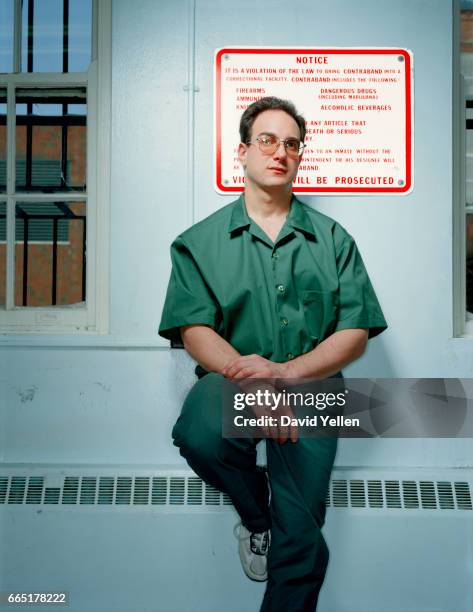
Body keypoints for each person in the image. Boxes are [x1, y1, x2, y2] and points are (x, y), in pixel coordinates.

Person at [158, 96, 387, 611]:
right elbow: (195, 331)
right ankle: (257, 517)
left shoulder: (333, 240)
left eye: (291, 143)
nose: (280, 151)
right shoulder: (198, 242)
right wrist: (258, 383)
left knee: (302, 533)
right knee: (198, 431)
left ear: (299, 155)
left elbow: (353, 334)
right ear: (242, 150)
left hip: (312, 387)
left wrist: (283, 374)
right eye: (267, 140)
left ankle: (283, 532)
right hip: (233, 380)